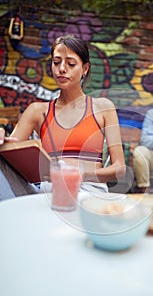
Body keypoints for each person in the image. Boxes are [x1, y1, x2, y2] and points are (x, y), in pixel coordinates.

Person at [0, 34, 126, 199]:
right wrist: (1, 138)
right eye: (56, 62)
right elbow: (10, 156)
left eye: (71, 64)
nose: (62, 69)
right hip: (46, 193)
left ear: (85, 68)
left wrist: (79, 175)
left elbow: (119, 168)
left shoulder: (103, 108)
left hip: (87, 192)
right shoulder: (37, 111)